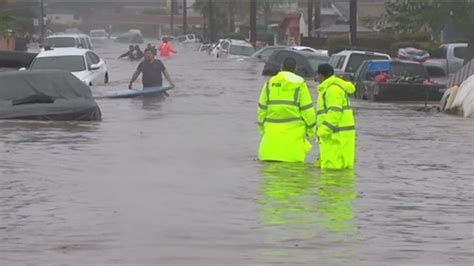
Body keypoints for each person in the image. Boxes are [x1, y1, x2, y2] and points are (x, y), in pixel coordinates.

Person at [257, 57, 316, 162]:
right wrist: (311, 131)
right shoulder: (300, 85)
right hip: (293, 151)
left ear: (281, 68)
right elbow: (308, 111)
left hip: (269, 149)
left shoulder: (270, 83)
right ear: (295, 69)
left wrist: (262, 130)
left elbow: (261, 109)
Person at [315, 63, 356, 169]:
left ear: (321, 75)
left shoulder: (332, 90)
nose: (316, 78)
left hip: (337, 138)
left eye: (318, 75)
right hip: (334, 136)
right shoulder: (329, 88)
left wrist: (321, 131)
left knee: (333, 171)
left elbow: (335, 114)